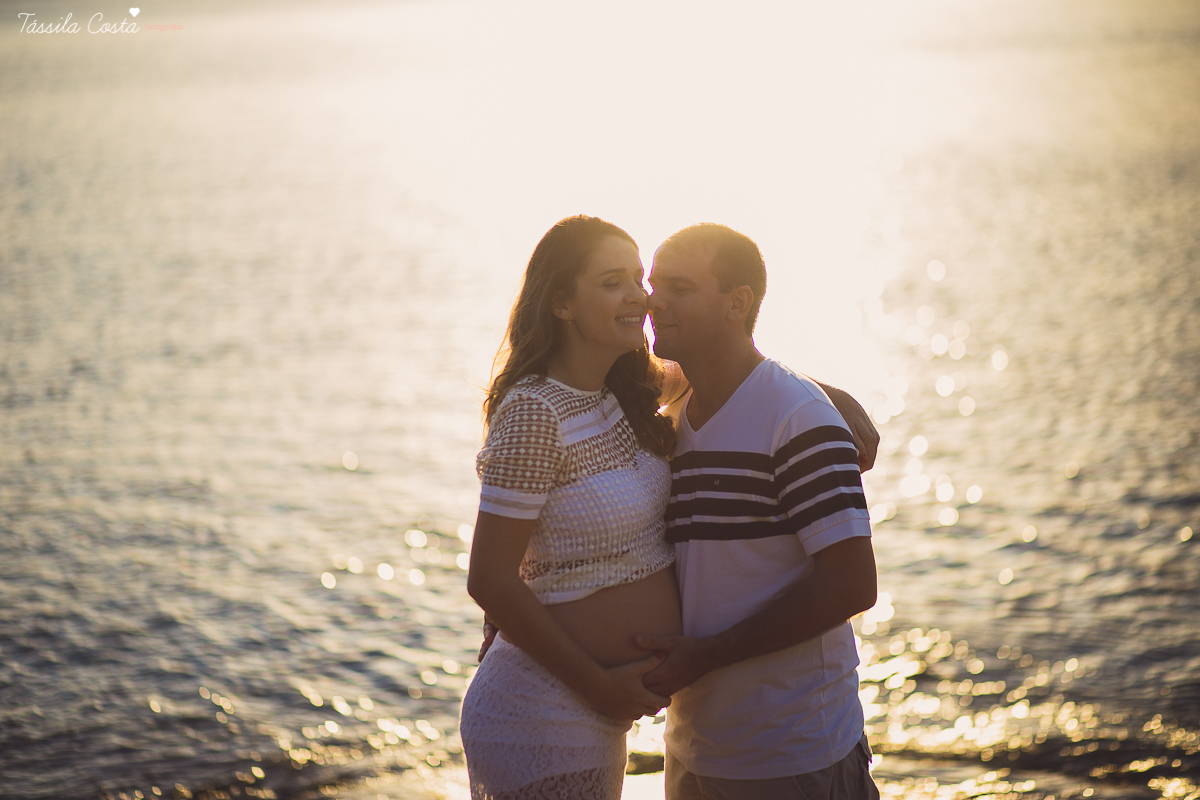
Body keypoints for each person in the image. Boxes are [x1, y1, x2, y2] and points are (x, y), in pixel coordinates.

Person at [461, 215, 878, 800]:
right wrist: (599, 683)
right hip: (582, 716)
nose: (645, 299)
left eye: (654, 284)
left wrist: (829, 398)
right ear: (561, 304)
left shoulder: (636, 398)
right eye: (623, 282)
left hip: (758, 743)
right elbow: (496, 571)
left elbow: (740, 372)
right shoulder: (569, 408)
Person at [635, 223, 881, 799]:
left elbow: (852, 585)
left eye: (679, 286)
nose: (654, 301)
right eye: (652, 284)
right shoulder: (671, 417)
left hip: (793, 757)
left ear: (737, 302)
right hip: (693, 752)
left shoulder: (799, 419)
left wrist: (707, 656)